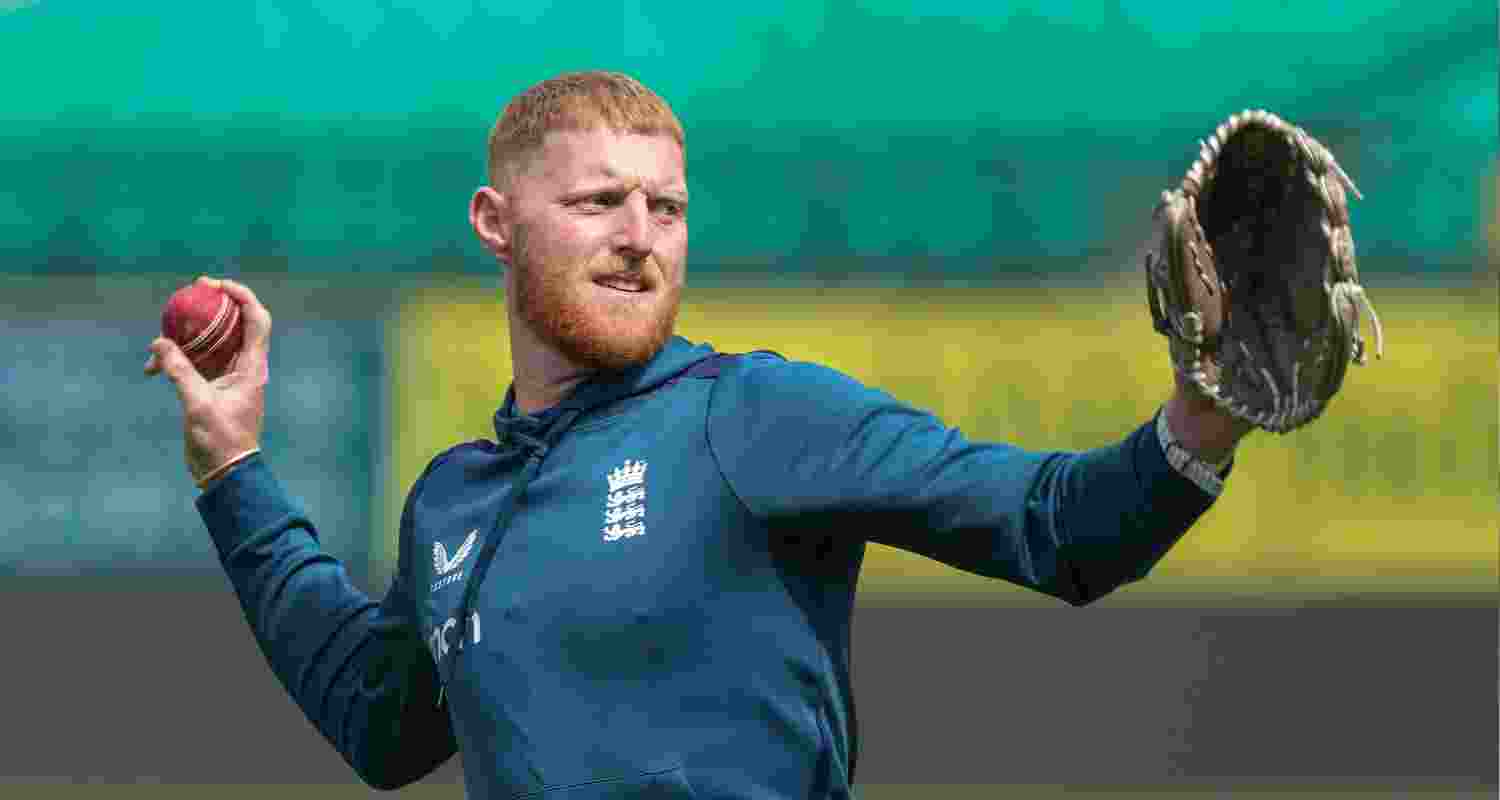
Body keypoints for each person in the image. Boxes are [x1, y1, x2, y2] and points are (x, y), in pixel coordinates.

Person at [146, 71, 1249, 798]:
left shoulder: (753, 413)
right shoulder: (455, 499)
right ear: (496, 222)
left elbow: (1059, 527)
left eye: (665, 210)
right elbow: (381, 722)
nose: (639, 239)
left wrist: (1203, 412)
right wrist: (233, 466)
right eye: (598, 204)